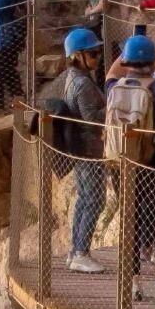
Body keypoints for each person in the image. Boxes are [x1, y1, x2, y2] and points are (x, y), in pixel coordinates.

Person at [107, 33, 155, 301]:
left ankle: (134, 285)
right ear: (151, 61)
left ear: (127, 61)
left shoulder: (114, 87)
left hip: (124, 164)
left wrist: (125, 53)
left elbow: (110, 73)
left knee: (131, 223)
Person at [61, 27, 108, 274]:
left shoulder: (72, 77)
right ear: (77, 56)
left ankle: (75, 250)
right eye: (93, 53)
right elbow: (91, 118)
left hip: (81, 147)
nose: (97, 57)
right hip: (89, 148)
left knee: (84, 198)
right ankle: (81, 252)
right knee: (95, 200)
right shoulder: (83, 83)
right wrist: (112, 107)